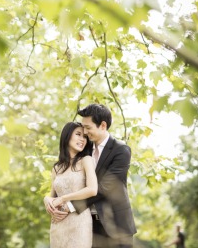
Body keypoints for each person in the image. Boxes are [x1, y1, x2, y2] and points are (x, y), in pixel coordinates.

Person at [48, 104, 137, 247]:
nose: (84, 132)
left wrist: (69, 205)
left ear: (102, 125)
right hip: (89, 226)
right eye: (83, 128)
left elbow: (104, 187)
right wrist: (49, 199)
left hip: (116, 226)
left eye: (88, 128)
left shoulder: (121, 151)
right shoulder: (84, 150)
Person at [44, 122, 97, 248]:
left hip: (79, 222)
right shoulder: (57, 168)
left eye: (84, 137)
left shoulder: (86, 160)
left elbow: (92, 189)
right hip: (58, 224)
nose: (82, 139)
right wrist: (46, 200)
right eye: (78, 134)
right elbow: (52, 196)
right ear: (67, 136)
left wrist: (63, 198)